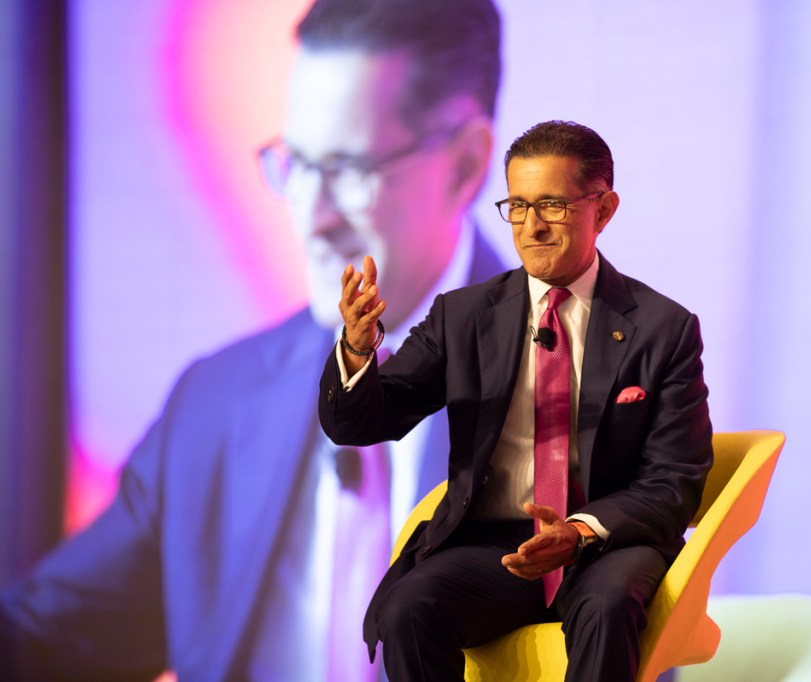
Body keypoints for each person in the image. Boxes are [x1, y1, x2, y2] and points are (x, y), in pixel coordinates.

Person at [0, 0, 504, 680]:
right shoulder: (214, 408)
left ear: (466, 166)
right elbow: (42, 641)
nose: (309, 217)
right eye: (296, 163)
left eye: (349, 168)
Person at [319, 120, 715, 681]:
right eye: (517, 206)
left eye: (551, 205)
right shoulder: (463, 316)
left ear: (603, 209)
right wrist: (358, 353)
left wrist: (579, 531)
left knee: (609, 605)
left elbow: (674, 480)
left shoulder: (662, 329)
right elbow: (367, 420)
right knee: (411, 608)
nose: (531, 227)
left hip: (605, 542)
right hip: (495, 548)